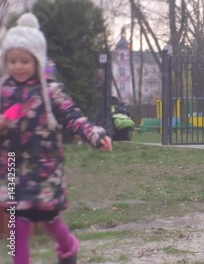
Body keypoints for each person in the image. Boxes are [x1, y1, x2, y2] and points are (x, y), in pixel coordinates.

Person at [0, 13, 113, 264]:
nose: (18, 66)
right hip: (11, 170)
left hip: (44, 170)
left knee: (51, 221)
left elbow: (72, 116)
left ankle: (68, 245)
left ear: (37, 61)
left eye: (24, 61)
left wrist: (94, 134)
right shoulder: (3, 92)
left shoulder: (49, 91)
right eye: (13, 61)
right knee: (17, 226)